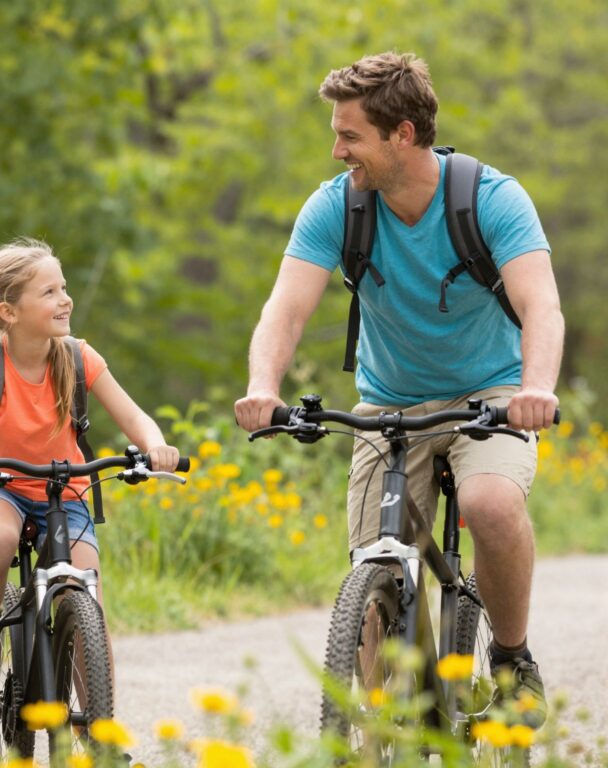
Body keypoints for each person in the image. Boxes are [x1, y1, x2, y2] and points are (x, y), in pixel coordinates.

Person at [234, 52, 562, 728]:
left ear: (403, 134)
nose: (336, 150)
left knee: (491, 504)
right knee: (378, 569)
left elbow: (542, 307)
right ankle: (392, 727)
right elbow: (285, 309)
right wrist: (262, 385)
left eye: (350, 136)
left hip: (490, 395)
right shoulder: (339, 208)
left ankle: (510, 657)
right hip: (388, 403)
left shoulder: (491, 199)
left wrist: (536, 389)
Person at [0, 237, 180, 695]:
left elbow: (134, 416)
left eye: (63, 288)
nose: (65, 299)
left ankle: (97, 736)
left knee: (86, 597)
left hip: (66, 491)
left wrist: (155, 445)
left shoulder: (79, 357)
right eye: (49, 292)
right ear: (9, 312)